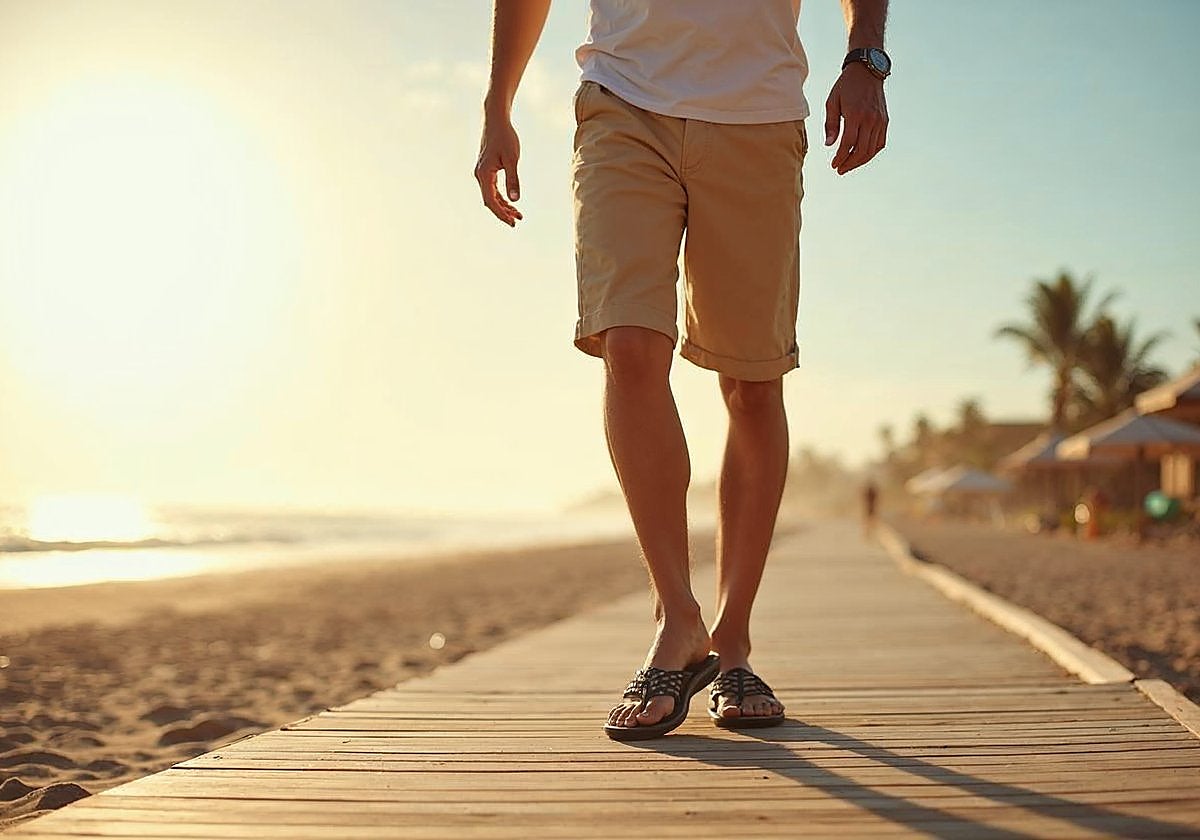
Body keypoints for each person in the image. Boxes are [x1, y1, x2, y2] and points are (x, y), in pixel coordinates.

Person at [475, 1, 890, 739]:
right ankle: (678, 619)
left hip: (757, 112)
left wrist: (865, 59)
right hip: (623, 103)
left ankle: (733, 641)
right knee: (628, 345)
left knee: (753, 381)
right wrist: (496, 107)